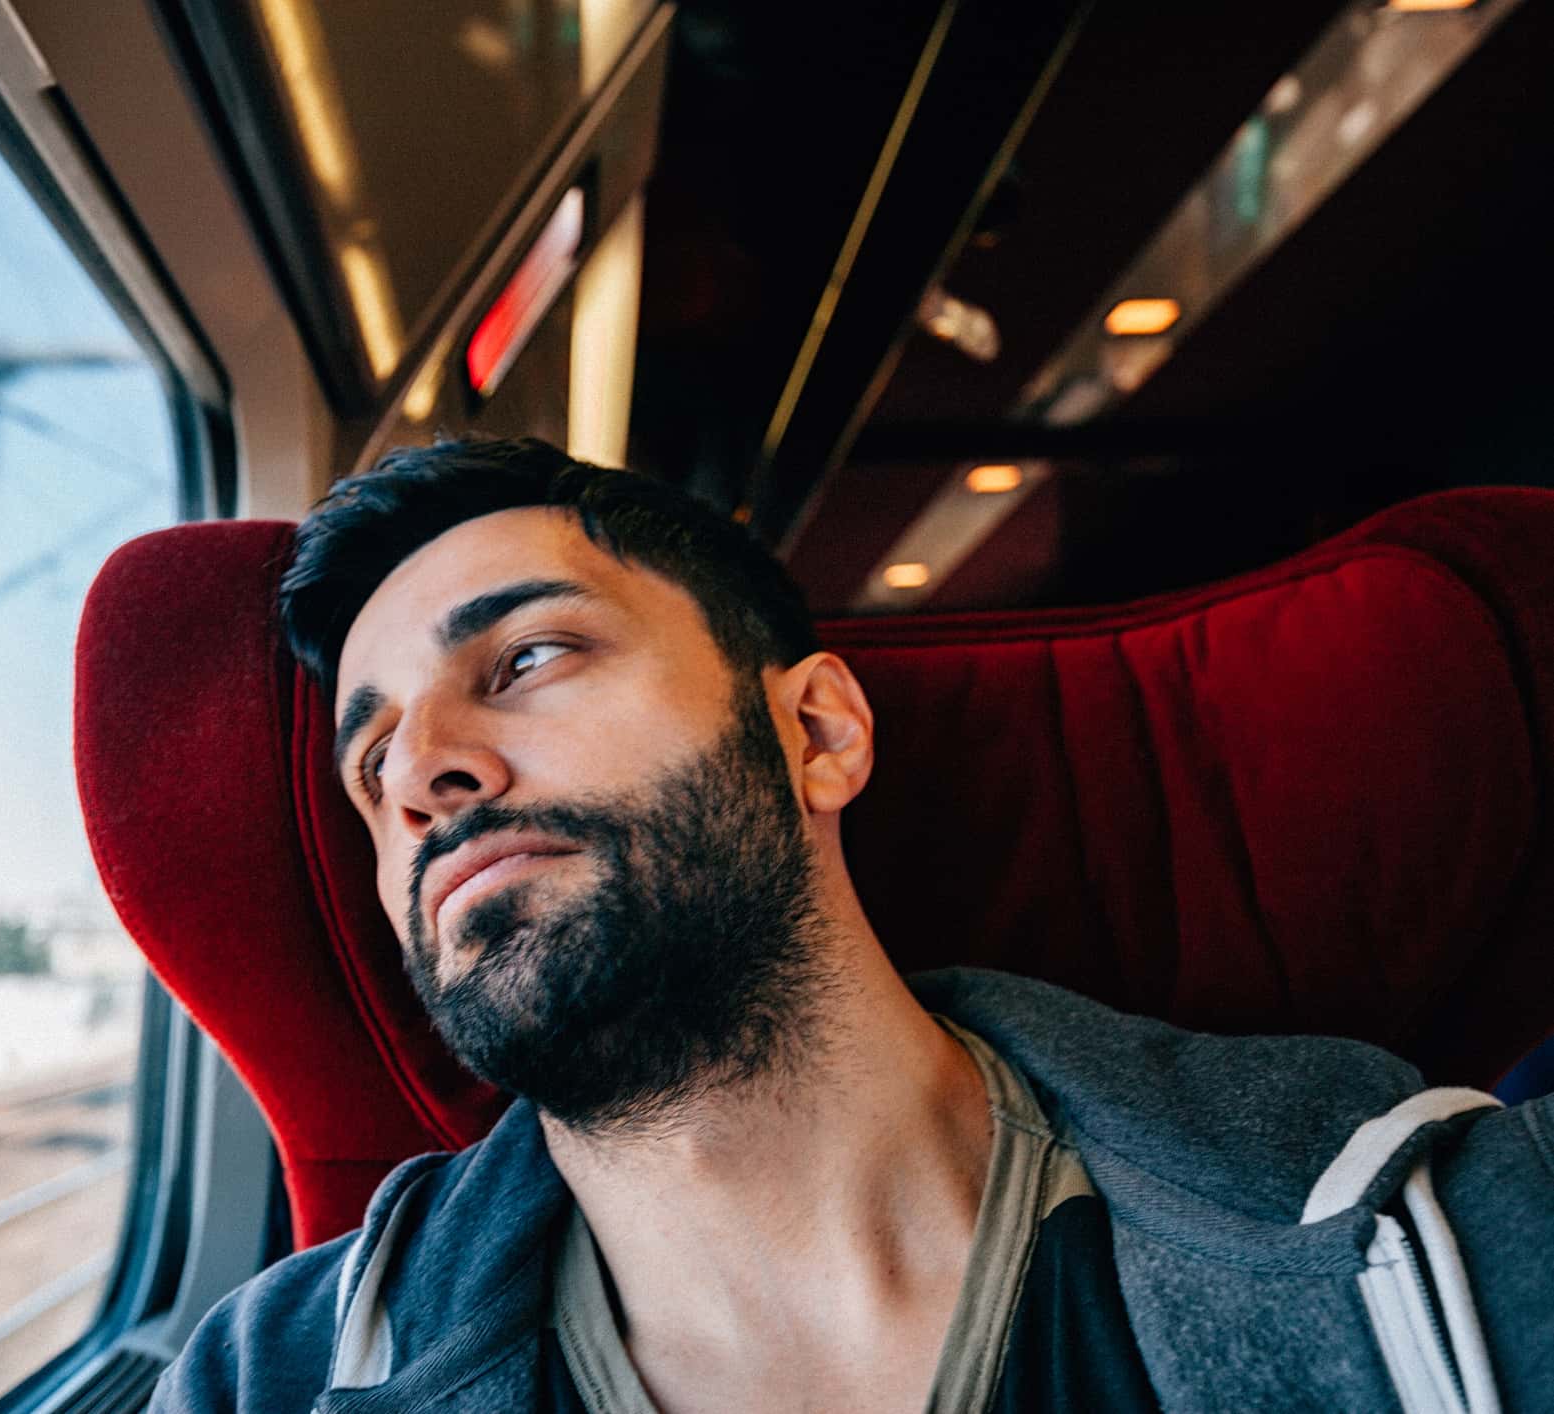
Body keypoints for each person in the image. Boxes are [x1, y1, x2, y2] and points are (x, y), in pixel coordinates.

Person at [148, 437, 1551, 1412]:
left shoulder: (1445, 1235)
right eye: (367, 760)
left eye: (523, 657)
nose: (420, 777)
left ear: (814, 730)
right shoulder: (265, 1375)